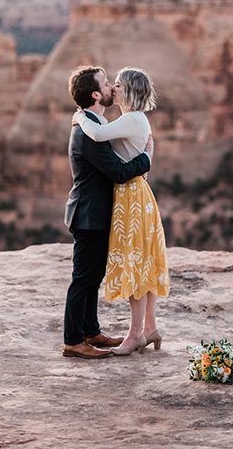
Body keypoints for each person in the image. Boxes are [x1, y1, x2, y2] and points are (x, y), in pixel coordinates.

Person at [72, 67, 169, 356]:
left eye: (118, 84)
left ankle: (135, 335)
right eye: (111, 84)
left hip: (130, 197)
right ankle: (150, 328)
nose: (113, 89)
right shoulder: (135, 120)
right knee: (143, 262)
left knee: (134, 263)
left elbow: (99, 133)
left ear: (129, 90)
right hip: (136, 194)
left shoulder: (132, 119)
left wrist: (79, 117)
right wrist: (147, 157)